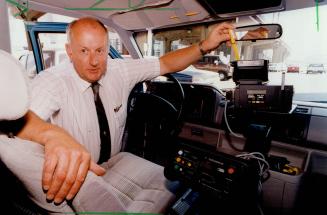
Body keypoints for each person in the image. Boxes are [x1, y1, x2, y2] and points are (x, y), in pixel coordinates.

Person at [29, 17, 234, 204]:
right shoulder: (52, 80)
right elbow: (22, 118)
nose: (94, 61)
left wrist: (205, 45)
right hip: (82, 174)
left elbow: (165, 63)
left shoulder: (120, 70)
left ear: (107, 48)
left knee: (186, 188)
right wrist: (52, 136)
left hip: (116, 161)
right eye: (84, 51)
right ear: (69, 51)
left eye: (100, 50)